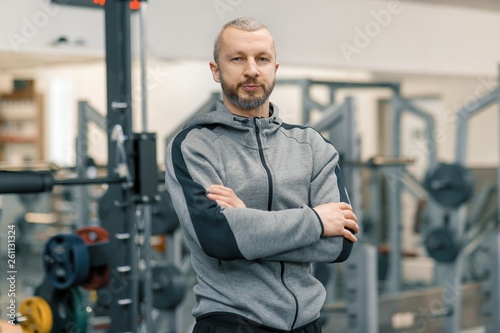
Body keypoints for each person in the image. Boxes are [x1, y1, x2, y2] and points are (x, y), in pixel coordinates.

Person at [165, 17, 359, 333]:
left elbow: (339, 245)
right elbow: (220, 239)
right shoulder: (194, 144)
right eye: (238, 58)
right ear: (216, 70)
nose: (252, 69)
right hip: (231, 323)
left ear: (275, 68)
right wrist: (316, 222)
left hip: (307, 324)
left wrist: (246, 222)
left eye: (262, 59)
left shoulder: (311, 145)